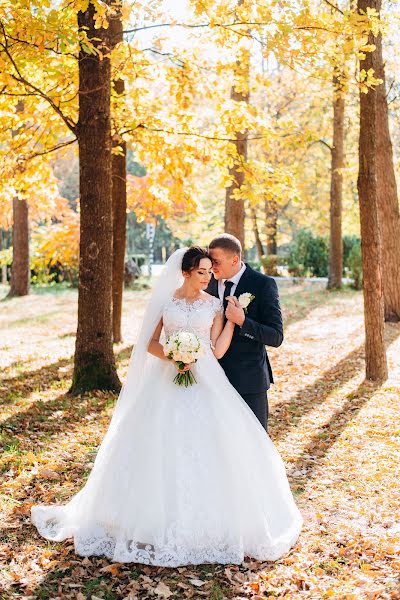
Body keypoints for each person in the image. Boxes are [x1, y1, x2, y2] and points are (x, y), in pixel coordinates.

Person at [31, 247, 302, 567]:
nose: (208, 276)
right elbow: (151, 343)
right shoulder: (167, 301)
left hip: (206, 379)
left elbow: (216, 351)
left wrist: (231, 322)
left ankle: (206, 524)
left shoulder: (214, 304)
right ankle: (141, 519)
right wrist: (174, 357)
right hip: (165, 378)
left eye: (209, 271)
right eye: (202, 272)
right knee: (156, 440)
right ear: (186, 272)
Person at [207, 234, 282, 431]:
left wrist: (242, 321)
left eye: (216, 262)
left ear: (235, 259)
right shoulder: (207, 284)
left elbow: (276, 336)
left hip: (249, 381)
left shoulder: (263, 284)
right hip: (212, 379)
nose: (211, 266)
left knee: (254, 444)